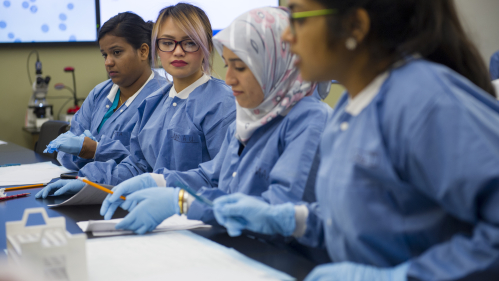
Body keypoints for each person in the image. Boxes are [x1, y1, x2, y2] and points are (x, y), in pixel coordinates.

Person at [213, 0, 499, 280]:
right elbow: (363, 218)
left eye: (298, 17)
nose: (287, 35)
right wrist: (296, 220)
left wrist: (405, 276)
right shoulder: (351, 107)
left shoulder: (424, 102)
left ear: (355, 26)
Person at [97, 7, 332, 235]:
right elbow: (212, 176)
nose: (228, 79)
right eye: (228, 65)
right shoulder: (251, 119)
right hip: (237, 243)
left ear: (275, 63)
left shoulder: (309, 121)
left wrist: (185, 203)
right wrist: (158, 181)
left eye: (239, 67)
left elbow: (275, 212)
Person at [36, 3, 235, 199]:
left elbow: (225, 178)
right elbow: (136, 166)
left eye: (189, 42)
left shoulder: (221, 103)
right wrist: (88, 182)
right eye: (167, 43)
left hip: (195, 216)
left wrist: (161, 185)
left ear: (207, 47)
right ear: (157, 48)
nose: (178, 51)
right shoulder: (154, 103)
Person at [43, 12, 168, 171]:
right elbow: (67, 153)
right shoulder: (99, 93)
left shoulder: (163, 98)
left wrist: (96, 150)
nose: (108, 62)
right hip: (84, 185)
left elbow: (147, 165)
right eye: (105, 54)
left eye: (116, 52)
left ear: (143, 51)